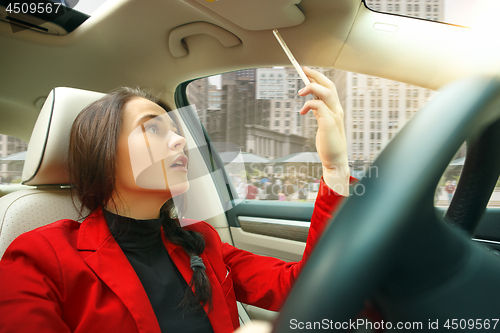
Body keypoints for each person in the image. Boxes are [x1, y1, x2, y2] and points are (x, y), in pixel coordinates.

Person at [0, 67, 351, 333]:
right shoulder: (40, 258)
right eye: (153, 128)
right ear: (103, 152)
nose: (180, 142)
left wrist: (334, 166)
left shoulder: (202, 241)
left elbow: (304, 285)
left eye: (177, 131)